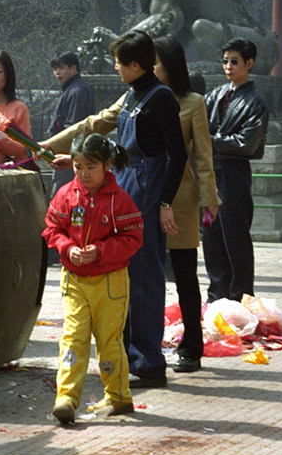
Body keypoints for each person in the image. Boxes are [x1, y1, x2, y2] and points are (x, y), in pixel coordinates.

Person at [41, 32, 187, 388]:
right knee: (122, 274)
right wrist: (76, 162)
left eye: (120, 63)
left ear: (136, 65)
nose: (116, 69)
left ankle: (149, 363)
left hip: (147, 186)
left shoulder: (161, 97)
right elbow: (120, 149)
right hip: (124, 180)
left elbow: (177, 154)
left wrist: (166, 203)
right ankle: (123, 357)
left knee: (143, 275)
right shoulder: (133, 94)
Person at [44, 133, 143, 424]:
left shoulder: (120, 200)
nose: (84, 174)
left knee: (109, 341)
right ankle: (67, 398)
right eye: (78, 167)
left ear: (107, 166)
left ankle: (118, 397)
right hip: (74, 280)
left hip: (110, 282)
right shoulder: (65, 194)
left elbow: (133, 238)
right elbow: (52, 228)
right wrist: (67, 248)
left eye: (91, 167)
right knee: (73, 338)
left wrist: (100, 251)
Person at [152, 36, 220, 373]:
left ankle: (192, 346)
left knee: (184, 275)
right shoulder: (140, 95)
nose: (150, 67)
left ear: (171, 64)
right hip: (145, 196)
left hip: (180, 199)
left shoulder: (193, 102)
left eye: (155, 61)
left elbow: (203, 156)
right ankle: (146, 345)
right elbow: (101, 121)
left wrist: (210, 199)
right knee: (144, 275)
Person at [202, 38, 268, 304]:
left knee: (235, 234)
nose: (228, 66)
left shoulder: (256, 100)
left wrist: (210, 139)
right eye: (225, 61)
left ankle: (241, 295)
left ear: (249, 64)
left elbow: (246, 142)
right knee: (211, 233)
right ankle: (217, 295)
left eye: (234, 61)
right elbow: (198, 125)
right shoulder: (217, 95)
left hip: (234, 172)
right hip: (211, 171)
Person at [47, 53, 95, 195]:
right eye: (55, 69)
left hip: (69, 152)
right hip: (67, 152)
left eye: (61, 68)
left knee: (62, 194)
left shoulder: (77, 91)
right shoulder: (72, 89)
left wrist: (56, 145)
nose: (57, 73)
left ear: (74, 68)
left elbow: (73, 126)